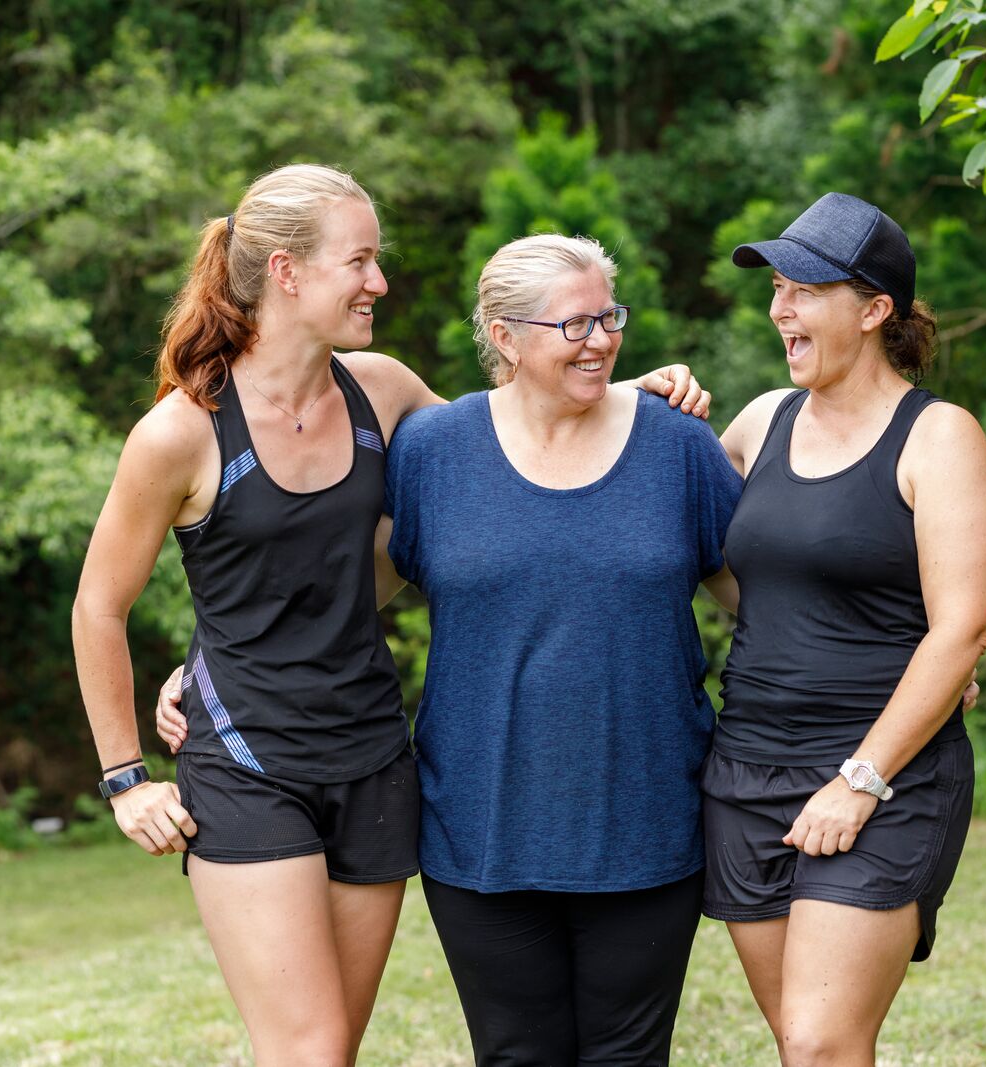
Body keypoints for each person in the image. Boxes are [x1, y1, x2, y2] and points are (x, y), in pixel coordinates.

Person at [73, 163, 705, 1067]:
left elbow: (508, 464)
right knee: (310, 1049)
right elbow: (99, 604)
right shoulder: (182, 431)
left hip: (373, 753)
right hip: (252, 758)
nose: (380, 282)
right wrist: (125, 776)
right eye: (360, 262)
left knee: (339, 1044)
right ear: (287, 272)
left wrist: (621, 391)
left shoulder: (381, 389)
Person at [704, 192, 986, 1067]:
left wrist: (862, 779)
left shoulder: (939, 438)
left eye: (803, 288)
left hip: (884, 776)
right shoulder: (762, 422)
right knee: (802, 1046)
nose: (779, 309)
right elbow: (701, 543)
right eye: (777, 289)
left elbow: (964, 628)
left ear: (875, 310)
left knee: (822, 1040)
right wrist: (647, 399)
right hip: (747, 771)